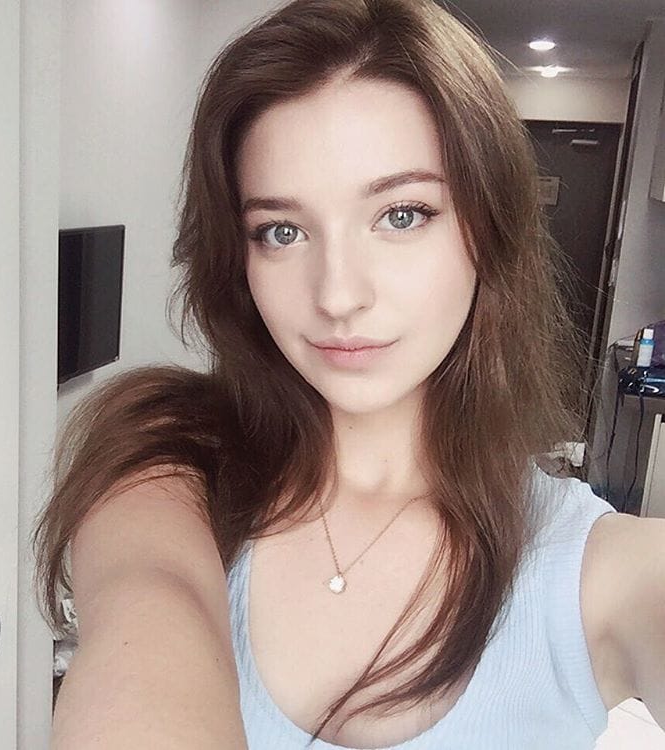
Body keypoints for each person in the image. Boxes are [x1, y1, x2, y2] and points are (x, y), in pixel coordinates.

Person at [33, 0, 664, 748]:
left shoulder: (603, 569)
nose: (337, 295)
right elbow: (145, 635)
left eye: (401, 215)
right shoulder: (170, 462)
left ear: (488, 228)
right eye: (282, 231)